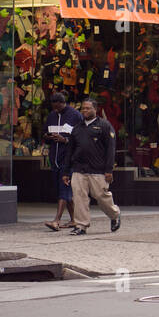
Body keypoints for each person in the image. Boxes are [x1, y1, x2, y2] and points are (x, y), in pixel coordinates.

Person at [64, 99, 122, 236]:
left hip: (98, 169)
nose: (85, 111)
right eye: (83, 108)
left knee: (101, 196)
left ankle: (115, 215)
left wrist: (109, 170)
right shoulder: (77, 128)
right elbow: (70, 151)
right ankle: (81, 225)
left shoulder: (104, 126)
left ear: (95, 109)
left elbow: (110, 149)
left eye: (88, 108)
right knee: (79, 198)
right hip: (79, 169)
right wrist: (66, 171)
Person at [43, 90, 82, 231]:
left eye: (58, 107)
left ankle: (56, 220)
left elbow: (81, 138)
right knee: (63, 190)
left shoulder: (75, 116)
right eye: (53, 107)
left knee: (64, 190)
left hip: (69, 159)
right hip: (54, 158)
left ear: (63, 103)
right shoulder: (52, 116)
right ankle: (74, 220)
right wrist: (48, 136)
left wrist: (65, 140)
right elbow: (44, 133)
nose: (55, 110)